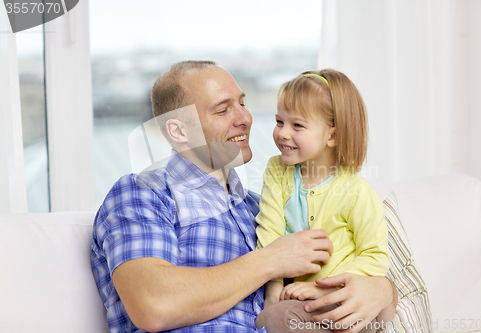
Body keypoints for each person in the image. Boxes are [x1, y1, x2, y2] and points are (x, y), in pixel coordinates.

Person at [91, 61, 397, 333]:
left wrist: (383, 291)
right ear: (180, 131)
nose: (246, 118)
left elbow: (336, 271)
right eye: (223, 110)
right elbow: (153, 305)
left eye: (242, 103)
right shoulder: (143, 193)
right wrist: (271, 259)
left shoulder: (262, 207)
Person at [254, 70, 395, 332]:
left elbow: (374, 256)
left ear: (333, 136)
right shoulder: (277, 171)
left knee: (282, 319)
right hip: (297, 303)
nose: (283, 133)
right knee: (272, 318)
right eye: (279, 121)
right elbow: (269, 234)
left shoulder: (356, 191)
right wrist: (272, 290)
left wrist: (322, 288)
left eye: (297, 125)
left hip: (345, 303)